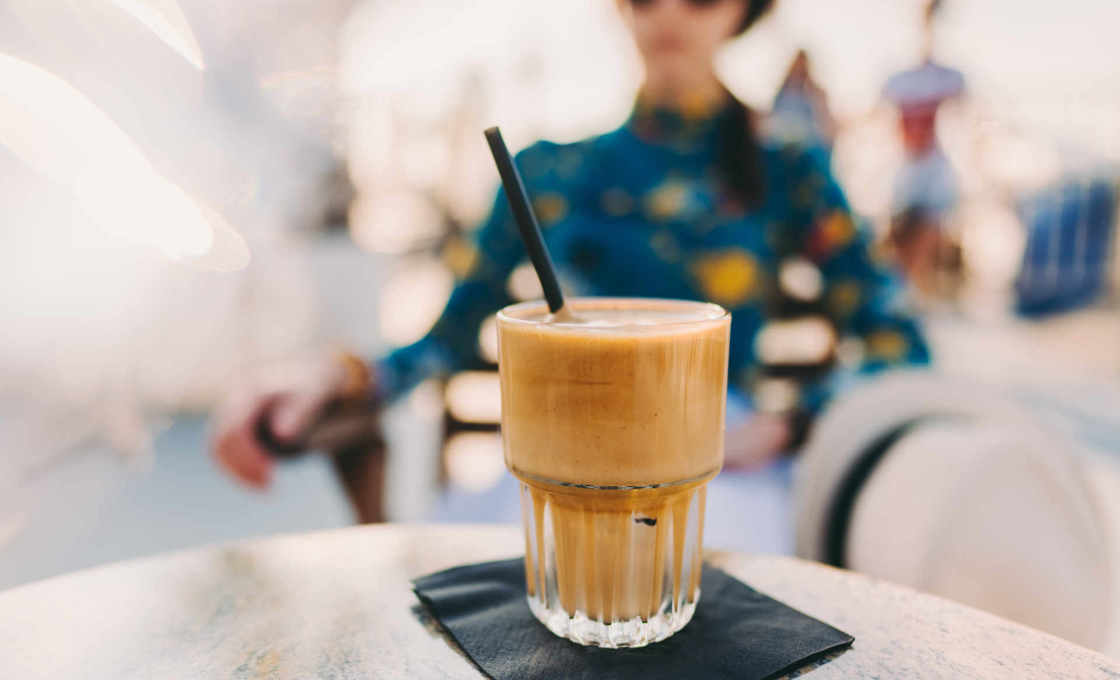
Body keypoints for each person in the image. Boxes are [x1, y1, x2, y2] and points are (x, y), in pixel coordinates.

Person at [213, 0, 929, 494]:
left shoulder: (787, 163)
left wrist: (783, 427)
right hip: (556, 466)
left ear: (743, 9)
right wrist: (331, 377)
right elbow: (448, 341)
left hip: (719, 473)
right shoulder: (549, 171)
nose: (672, 12)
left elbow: (898, 340)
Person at [882, 0, 965, 291]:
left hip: (933, 165)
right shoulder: (898, 79)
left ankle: (912, 290)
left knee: (929, 229)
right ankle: (904, 289)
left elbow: (971, 119)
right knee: (899, 233)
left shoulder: (948, 77)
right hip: (907, 166)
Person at [769, 49, 836, 153]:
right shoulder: (782, 93)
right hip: (783, 143)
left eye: (802, 65)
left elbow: (824, 124)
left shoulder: (814, 92)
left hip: (808, 146)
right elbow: (774, 119)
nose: (799, 68)